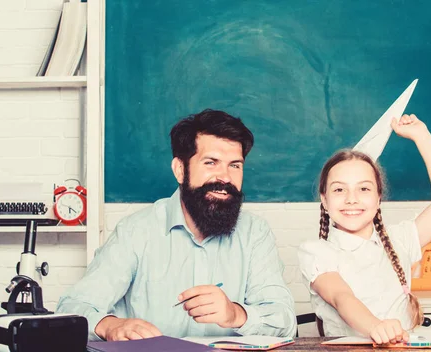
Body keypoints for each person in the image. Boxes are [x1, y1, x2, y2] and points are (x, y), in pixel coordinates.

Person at [57, 109, 296, 341]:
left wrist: (236, 314)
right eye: (211, 163)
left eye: (235, 165)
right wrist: (110, 326)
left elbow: (284, 320)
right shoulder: (136, 231)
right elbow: (74, 307)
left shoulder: (255, 232)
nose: (225, 177)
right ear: (180, 170)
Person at [298, 114, 431, 344]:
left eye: (363, 189)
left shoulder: (401, 239)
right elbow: (340, 297)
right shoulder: (315, 251)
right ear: (324, 200)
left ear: (378, 197)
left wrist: (422, 136)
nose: (351, 199)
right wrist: (376, 327)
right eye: (339, 190)